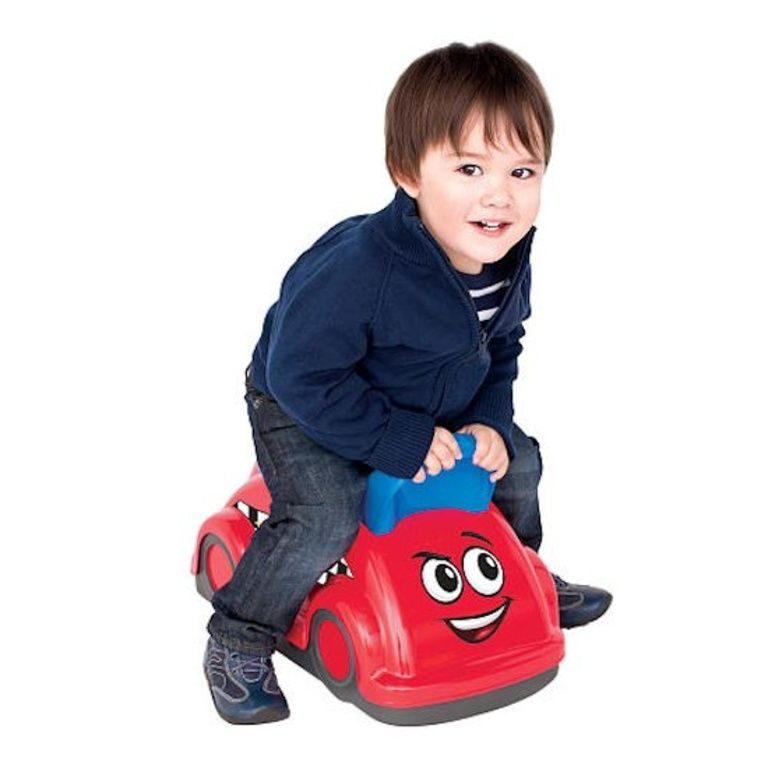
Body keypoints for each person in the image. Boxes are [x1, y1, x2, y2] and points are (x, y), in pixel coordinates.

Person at [203, 41, 612, 725]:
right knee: (324, 515)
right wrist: (394, 438)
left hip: (426, 398)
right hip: (307, 404)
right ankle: (238, 638)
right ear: (408, 173)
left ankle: (522, 575)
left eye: (522, 170)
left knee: (519, 462)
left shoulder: (505, 258)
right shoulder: (363, 269)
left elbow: (501, 348)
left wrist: (488, 420)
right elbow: (301, 374)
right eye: (470, 168)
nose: (499, 194)